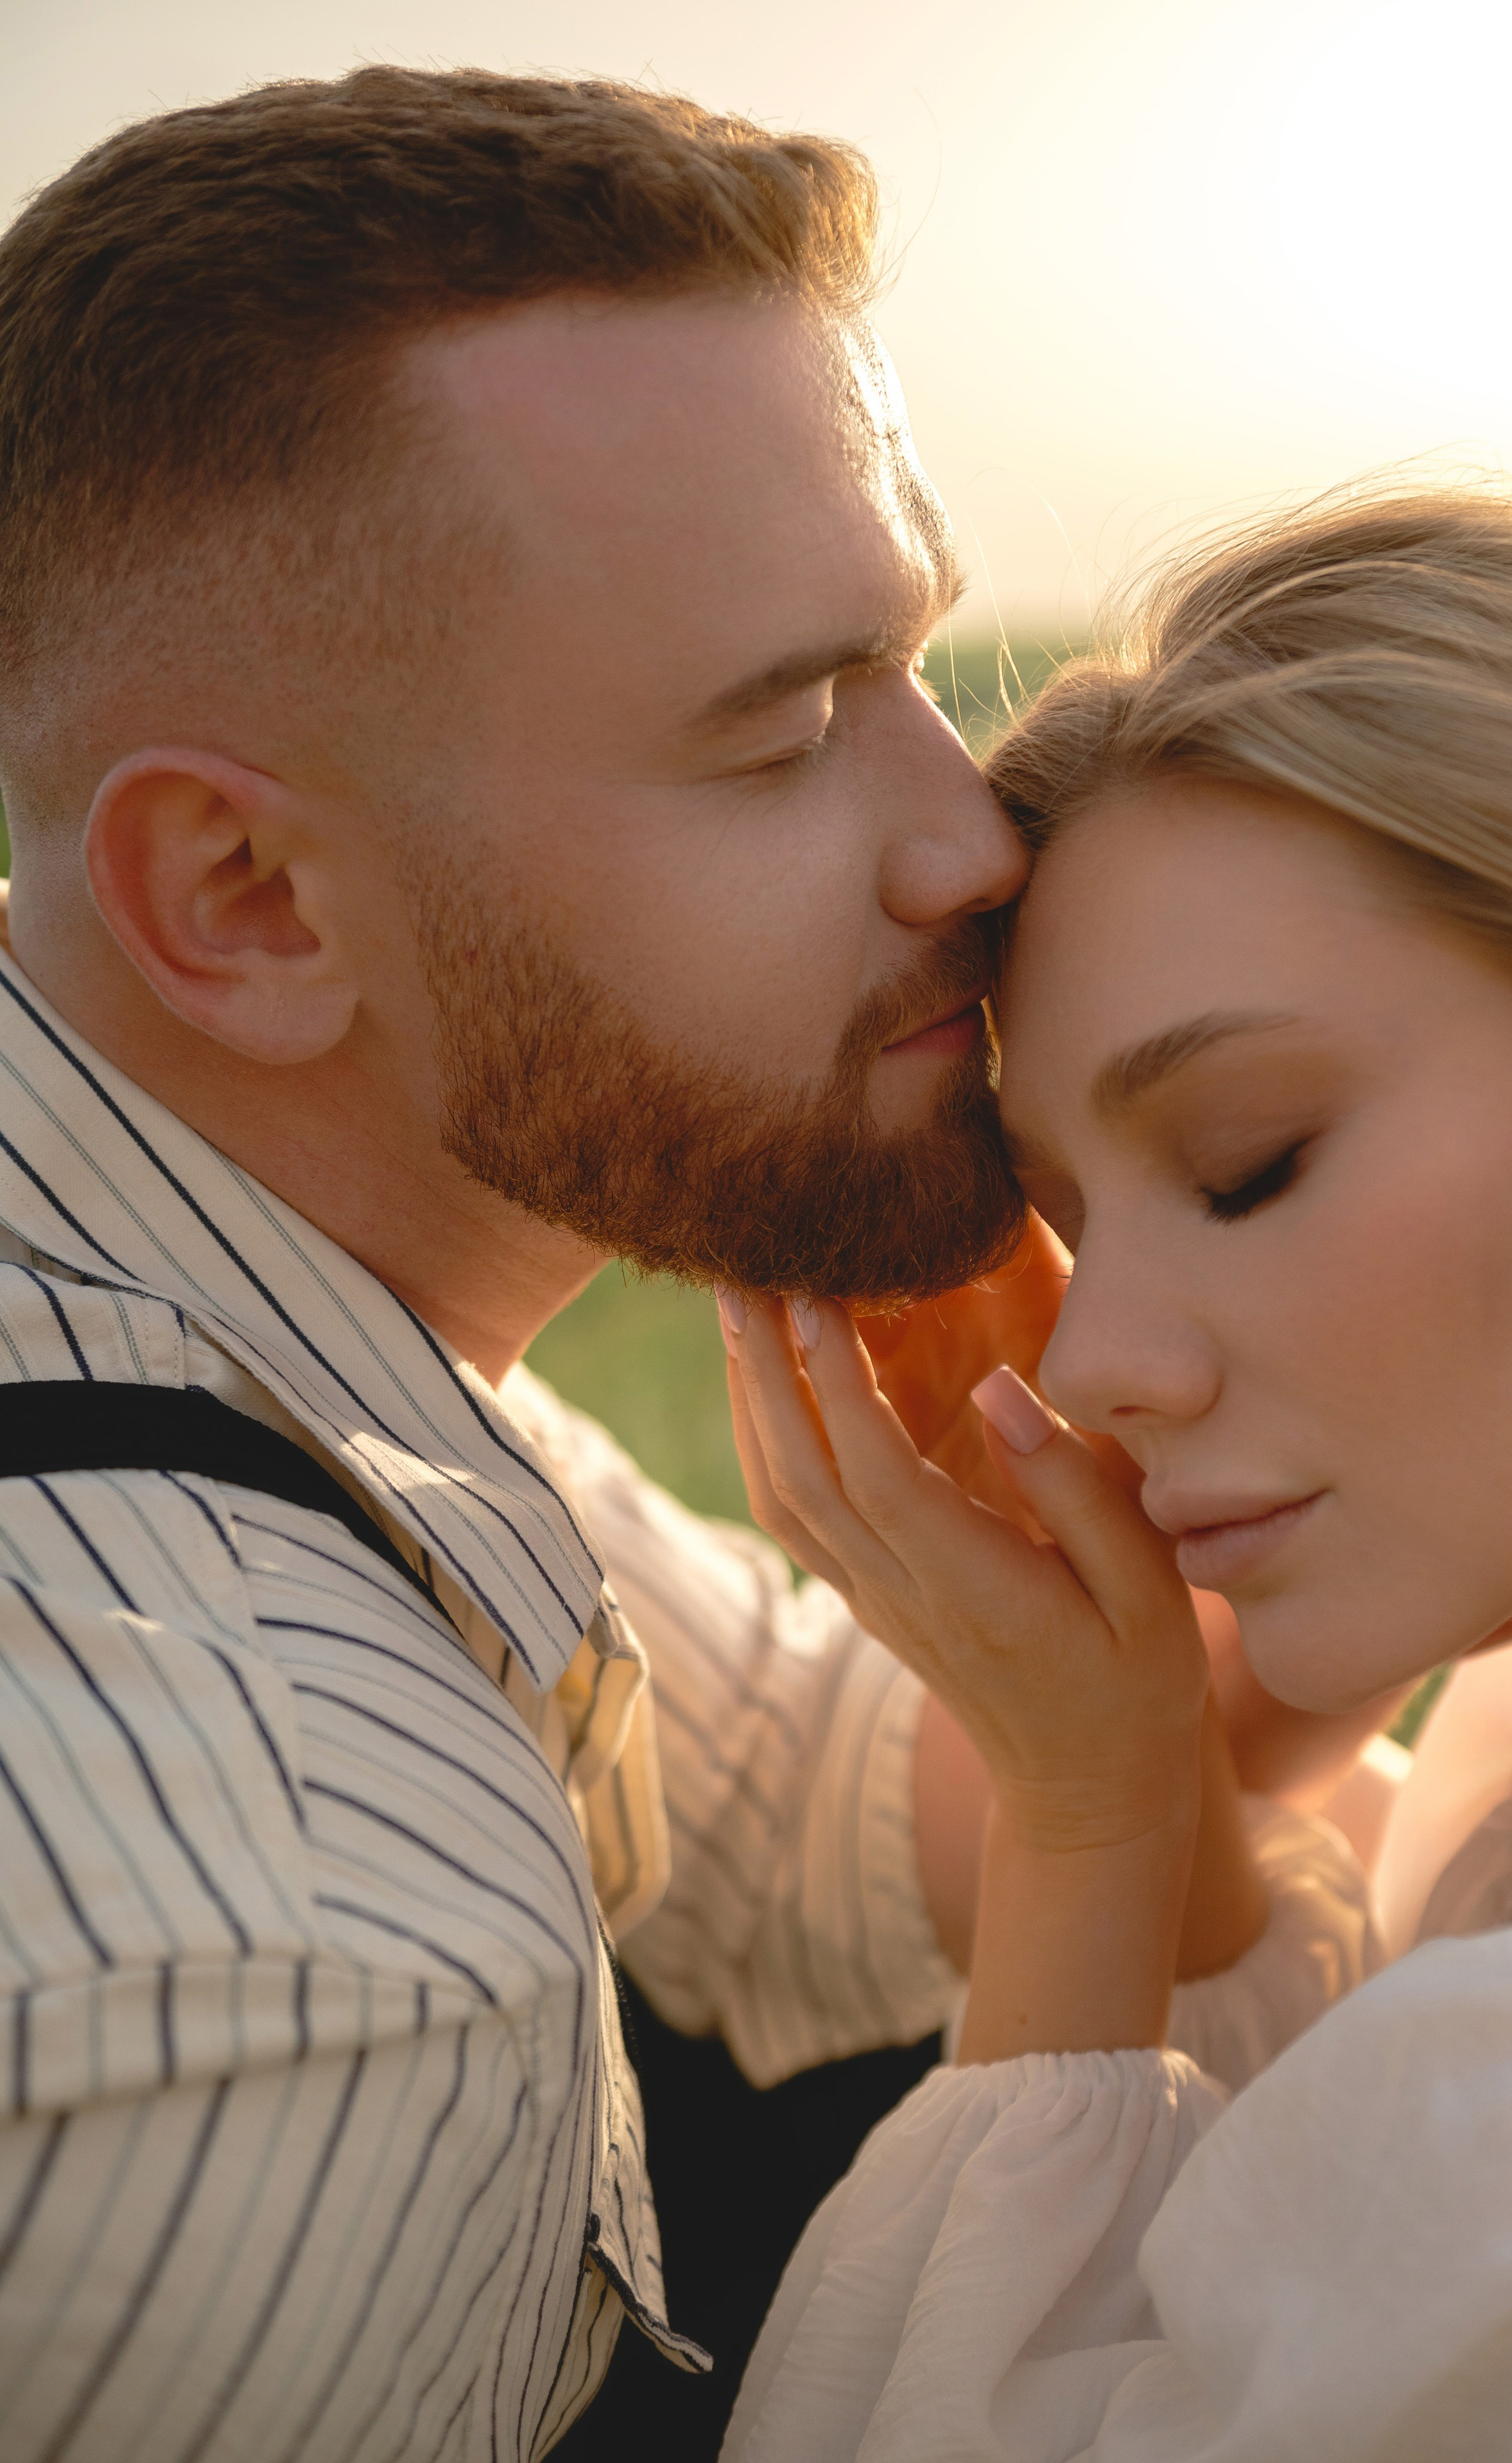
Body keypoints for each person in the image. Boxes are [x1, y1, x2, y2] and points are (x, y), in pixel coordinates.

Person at [0, 66, 1380, 2460]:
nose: (972, 845)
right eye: (779, 742)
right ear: (245, 901)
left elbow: (880, 1793)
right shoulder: (293, 1995)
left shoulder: (247, 1332)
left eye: (919, 671)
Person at [720, 488, 1512, 2461]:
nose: (1091, 1360)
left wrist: (1078, 1829)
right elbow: (1313, 2210)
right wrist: (1126, 1773)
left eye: (1243, 1162)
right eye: (1061, 1206)